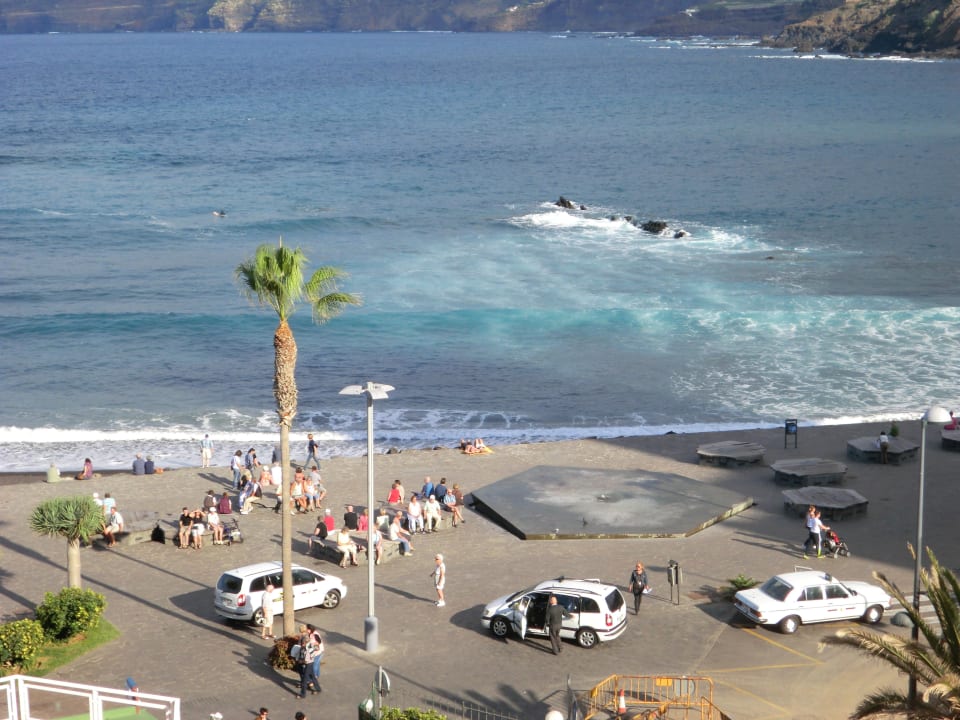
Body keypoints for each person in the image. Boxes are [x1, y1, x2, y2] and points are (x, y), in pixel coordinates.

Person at [306, 624, 324, 688]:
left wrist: (313, 645)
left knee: (314, 666)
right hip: (317, 652)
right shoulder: (311, 634)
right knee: (317, 664)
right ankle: (317, 675)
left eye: (307, 629)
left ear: (310, 629)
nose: (306, 630)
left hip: (318, 652)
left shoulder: (315, 634)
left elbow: (319, 642)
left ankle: (314, 678)